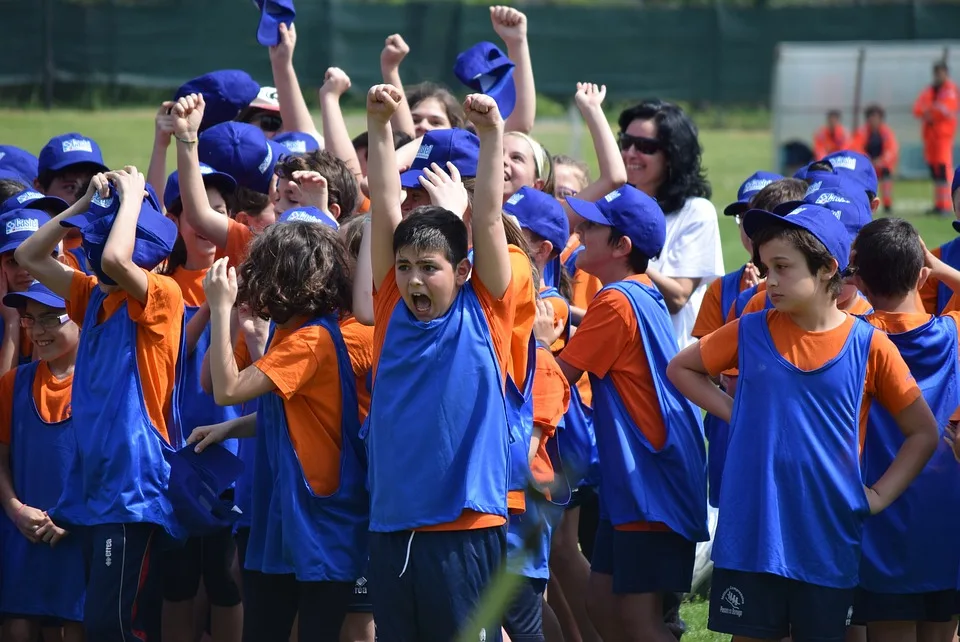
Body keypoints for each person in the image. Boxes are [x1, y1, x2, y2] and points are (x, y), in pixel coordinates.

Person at [667, 203, 939, 642]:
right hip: (755, 534)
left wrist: (877, 496)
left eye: (782, 267)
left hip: (825, 540)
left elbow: (923, 433)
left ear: (829, 269)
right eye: (764, 266)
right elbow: (681, 369)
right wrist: (740, 414)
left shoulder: (869, 346)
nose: (768, 279)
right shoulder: (749, 330)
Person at [364, 84, 514, 642]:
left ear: (463, 272)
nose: (412, 279)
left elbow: (492, 221)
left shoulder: (485, 313)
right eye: (404, 267)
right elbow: (383, 204)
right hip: (391, 525)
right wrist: (380, 129)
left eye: (429, 267)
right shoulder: (389, 307)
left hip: (463, 527)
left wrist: (493, 135)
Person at [15, 168, 187, 641]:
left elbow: (114, 258)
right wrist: (80, 207)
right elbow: (30, 254)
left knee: (113, 625)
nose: (92, 252)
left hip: (134, 494)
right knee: (103, 624)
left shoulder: (163, 296)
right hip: (97, 492)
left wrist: (131, 196)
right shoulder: (91, 297)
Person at [189, 215, 366, 642]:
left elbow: (228, 390)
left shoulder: (311, 340)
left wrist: (219, 307)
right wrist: (227, 431)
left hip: (319, 522)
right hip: (286, 519)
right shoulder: (292, 333)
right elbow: (287, 415)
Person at [556, 185, 709, 642]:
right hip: (638, 483)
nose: (579, 230)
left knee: (637, 622)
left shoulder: (616, 301)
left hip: (650, 486)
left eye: (592, 227)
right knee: (601, 603)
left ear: (622, 247)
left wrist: (537, 336)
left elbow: (558, 375)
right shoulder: (636, 292)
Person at [846, 218, 960, 642]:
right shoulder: (953, 332)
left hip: (881, 521)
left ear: (859, 281)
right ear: (922, 275)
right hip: (948, 525)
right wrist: (936, 265)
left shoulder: (852, 340)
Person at [0, 281, 85, 642]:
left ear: (82, 317)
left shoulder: (98, 384)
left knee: (74, 631)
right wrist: (15, 509)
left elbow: (112, 464)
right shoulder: (12, 384)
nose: (38, 330)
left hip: (80, 535)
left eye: (51, 318)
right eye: (30, 319)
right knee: (18, 627)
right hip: (22, 535)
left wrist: (72, 517)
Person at [616, 100, 720, 348]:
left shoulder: (696, 212)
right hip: (619, 357)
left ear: (672, 156)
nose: (630, 153)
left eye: (644, 146)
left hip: (669, 363)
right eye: (625, 142)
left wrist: (625, 249)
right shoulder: (614, 203)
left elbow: (678, 297)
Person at [913, 61, 958, 216]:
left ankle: (947, 205)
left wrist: (929, 110)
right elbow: (917, 109)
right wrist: (931, 110)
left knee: (944, 170)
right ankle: (939, 205)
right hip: (930, 137)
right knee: (935, 172)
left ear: (945, 73)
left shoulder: (950, 90)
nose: (938, 76)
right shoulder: (930, 90)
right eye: (936, 73)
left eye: (940, 73)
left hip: (943, 137)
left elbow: (945, 109)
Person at [850, 105, 899, 214]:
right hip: (867, 165)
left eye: (876, 118)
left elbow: (892, 150)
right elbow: (856, 148)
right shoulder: (862, 132)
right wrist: (868, 161)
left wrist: (881, 161)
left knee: (886, 175)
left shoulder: (886, 132)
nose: (874, 121)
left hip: (882, 165)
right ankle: (864, 203)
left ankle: (887, 204)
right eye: (871, 118)